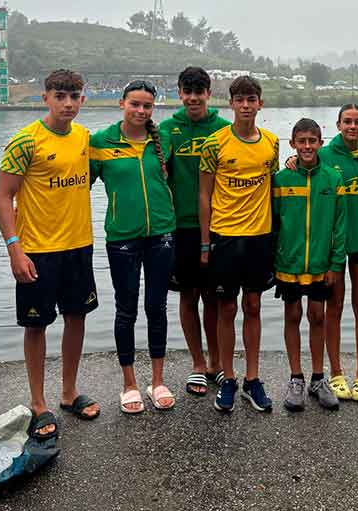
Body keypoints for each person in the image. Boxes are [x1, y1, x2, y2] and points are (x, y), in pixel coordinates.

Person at [0, 69, 100, 439]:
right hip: (37, 250)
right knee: (36, 325)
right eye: (60, 96)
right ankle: (39, 403)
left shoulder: (86, 138)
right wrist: (14, 250)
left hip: (78, 246)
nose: (68, 104)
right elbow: (3, 197)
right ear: (46, 98)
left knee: (77, 317)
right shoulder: (26, 141)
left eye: (74, 97)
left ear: (83, 99)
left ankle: (69, 393)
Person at [89, 80, 176, 413]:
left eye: (147, 106)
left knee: (156, 308)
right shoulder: (101, 142)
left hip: (163, 235)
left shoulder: (163, 139)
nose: (141, 111)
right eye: (135, 104)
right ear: (121, 104)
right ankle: (129, 384)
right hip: (122, 238)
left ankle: (157, 380)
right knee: (126, 310)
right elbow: (77, 184)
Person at [285, 104, 358, 402]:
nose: (353, 126)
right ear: (338, 125)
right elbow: (304, 163)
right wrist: (290, 160)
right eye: (347, 121)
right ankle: (336, 373)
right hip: (332, 245)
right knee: (333, 310)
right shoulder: (325, 153)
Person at [199, 76, 280, 413]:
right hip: (224, 237)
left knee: (254, 307)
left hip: (259, 237)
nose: (246, 105)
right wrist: (205, 243)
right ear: (230, 103)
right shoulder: (214, 144)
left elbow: (274, 188)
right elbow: (204, 194)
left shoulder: (273, 143)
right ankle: (228, 378)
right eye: (240, 99)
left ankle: (252, 379)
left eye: (252, 99)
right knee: (225, 308)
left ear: (260, 103)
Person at [160, 67, 231, 397]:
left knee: (213, 298)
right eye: (186, 91)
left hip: (220, 227)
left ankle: (217, 363)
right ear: (179, 93)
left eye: (198, 91)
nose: (192, 97)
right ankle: (198, 364)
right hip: (181, 228)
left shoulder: (223, 129)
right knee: (187, 296)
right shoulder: (167, 129)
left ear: (208, 92)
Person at [273, 118, 346, 411]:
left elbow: (340, 224)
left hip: (320, 262)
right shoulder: (281, 179)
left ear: (320, 143)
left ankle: (318, 377)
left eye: (312, 141)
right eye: (301, 141)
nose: (306, 146)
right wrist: (274, 255)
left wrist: (336, 262)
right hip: (288, 262)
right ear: (292, 144)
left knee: (318, 316)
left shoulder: (332, 178)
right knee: (292, 315)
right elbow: (274, 222)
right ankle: (296, 378)